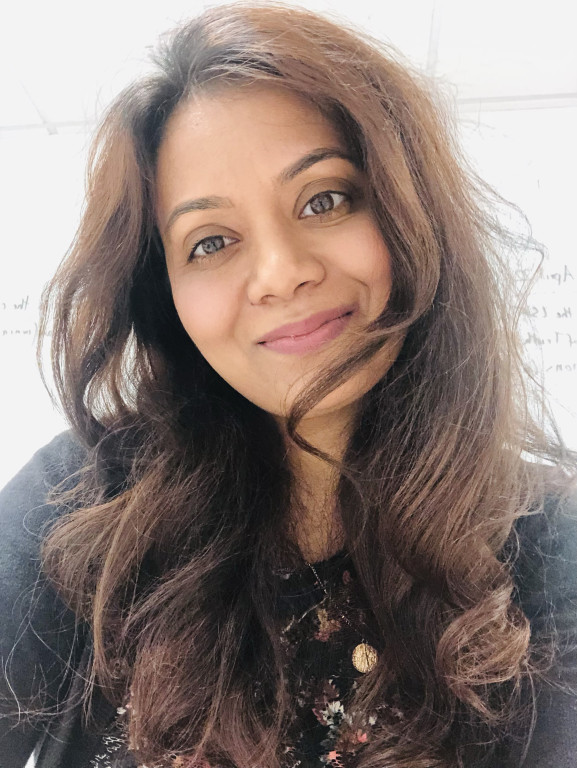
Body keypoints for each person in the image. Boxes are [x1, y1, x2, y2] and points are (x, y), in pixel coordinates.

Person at [1, 3, 576, 767]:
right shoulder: (80, 499)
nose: (280, 273)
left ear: (411, 213)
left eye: (324, 200)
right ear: (165, 296)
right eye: (211, 242)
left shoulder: (548, 544)